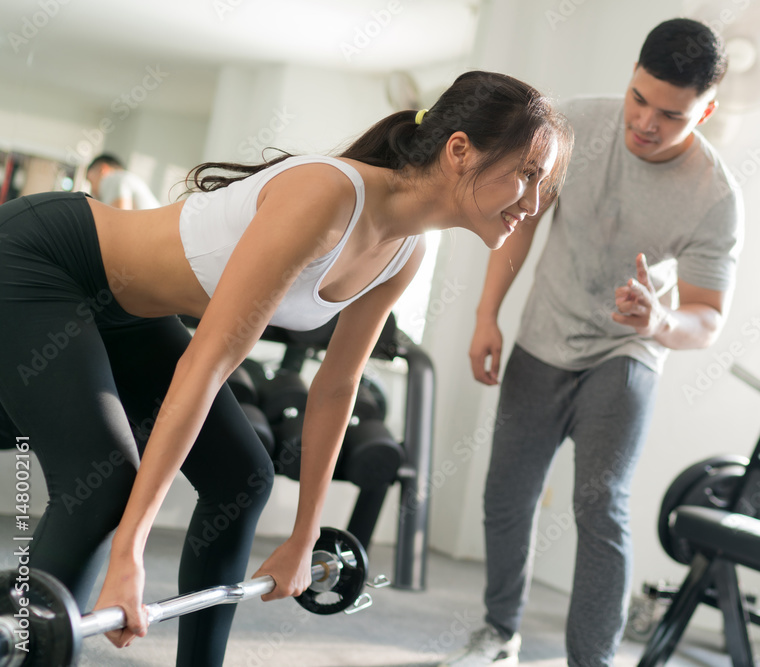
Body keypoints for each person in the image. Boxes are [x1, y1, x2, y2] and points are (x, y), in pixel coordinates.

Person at [0, 70, 571, 667]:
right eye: (527, 174)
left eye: (543, 183)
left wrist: (305, 536)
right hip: (46, 262)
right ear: (460, 150)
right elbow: (208, 361)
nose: (532, 204)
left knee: (242, 478)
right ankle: (26, 648)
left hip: (130, 315)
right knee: (102, 480)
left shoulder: (405, 252)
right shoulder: (326, 196)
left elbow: (336, 387)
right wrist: (131, 553)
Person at [441, 19, 744, 667]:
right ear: (631, 77)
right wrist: (486, 313)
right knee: (506, 491)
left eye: (671, 114)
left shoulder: (715, 196)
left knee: (600, 502)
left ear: (707, 110)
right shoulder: (574, 127)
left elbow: (706, 317)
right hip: (543, 334)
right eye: (639, 98)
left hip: (625, 351)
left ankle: (594, 661)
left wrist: (658, 322)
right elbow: (518, 225)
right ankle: (499, 634)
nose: (646, 122)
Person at [86, 153, 162, 209]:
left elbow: (116, 224)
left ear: (102, 170)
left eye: (90, 182)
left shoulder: (114, 178)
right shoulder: (128, 179)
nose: (92, 192)